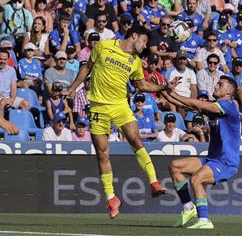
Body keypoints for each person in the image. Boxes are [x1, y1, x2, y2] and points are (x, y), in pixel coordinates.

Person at [62, 25, 170, 219]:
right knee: (102, 154)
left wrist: (163, 86)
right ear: (134, 36)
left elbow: (141, 85)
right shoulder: (102, 46)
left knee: (136, 140)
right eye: (144, 41)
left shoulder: (135, 61)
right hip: (97, 107)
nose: (145, 46)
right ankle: (111, 198)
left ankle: (154, 183)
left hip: (120, 105)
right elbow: (87, 68)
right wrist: (71, 89)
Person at [163, 76, 240, 229]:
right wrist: (164, 90)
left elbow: (194, 102)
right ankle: (188, 207)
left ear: (229, 91)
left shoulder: (229, 106)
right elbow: (181, 104)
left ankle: (204, 221)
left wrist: (170, 92)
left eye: (220, 84)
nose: (216, 85)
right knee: (175, 166)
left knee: (196, 179)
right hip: (211, 159)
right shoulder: (215, 107)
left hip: (226, 162)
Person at [0, 49, 30, 116]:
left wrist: (12, 99)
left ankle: (20, 124)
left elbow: (13, 87)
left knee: (25, 103)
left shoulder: (11, 70)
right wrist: (4, 98)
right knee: (3, 102)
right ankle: (1, 124)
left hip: (9, 97)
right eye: (0, 59)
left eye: (5, 59)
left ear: (8, 59)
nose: (2, 61)